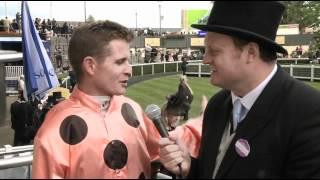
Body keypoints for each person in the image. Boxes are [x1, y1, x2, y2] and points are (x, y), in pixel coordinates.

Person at [159, 2, 320, 178]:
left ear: (250, 52)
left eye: (213, 51)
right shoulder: (217, 105)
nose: (205, 60)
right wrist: (190, 167)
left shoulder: (309, 112)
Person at [32, 20, 201, 179]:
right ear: (91, 65)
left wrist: (178, 163)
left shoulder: (134, 109)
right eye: (120, 62)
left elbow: (162, 158)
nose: (129, 70)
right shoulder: (55, 126)